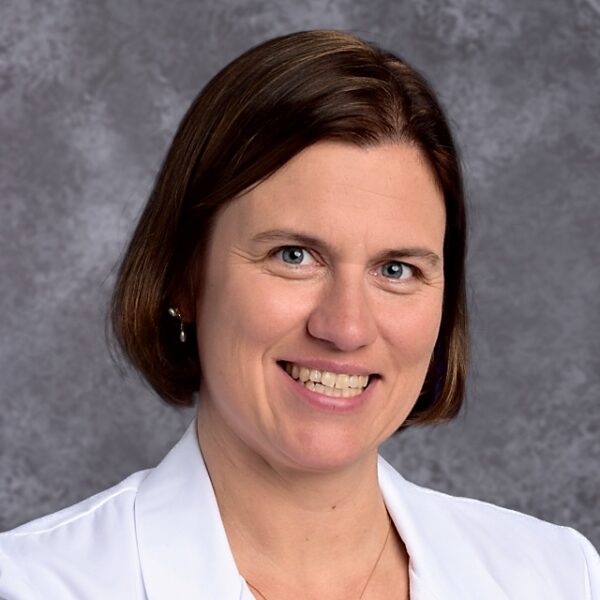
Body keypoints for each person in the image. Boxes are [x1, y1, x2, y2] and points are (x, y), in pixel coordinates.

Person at [0, 29, 598, 600]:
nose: (346, 328)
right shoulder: (34, 585)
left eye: (396, 270)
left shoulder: (560, 577)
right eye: (294, 256)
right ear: (183, 276)